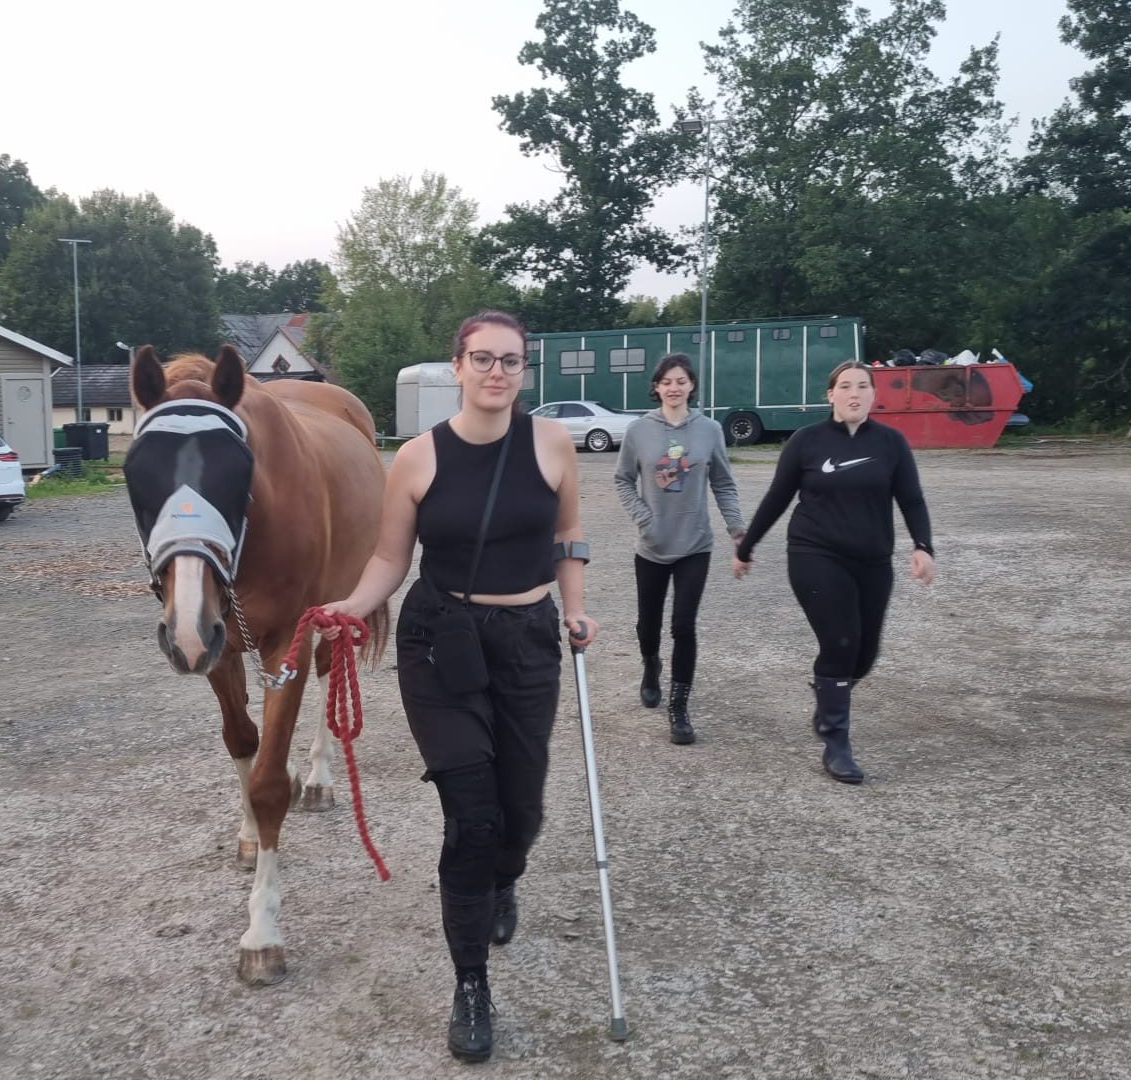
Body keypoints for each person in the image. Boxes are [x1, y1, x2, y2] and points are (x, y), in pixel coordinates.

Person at [320, 310, 599, 1063]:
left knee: (523, 809)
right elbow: (388, 558)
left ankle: (506, 877)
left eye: (511, 361)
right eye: (483, 358)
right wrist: (352, 606)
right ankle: (471, 983)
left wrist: (575, 610)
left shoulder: (552, 443)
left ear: (524, 370)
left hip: (528, 642)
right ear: (458, 365)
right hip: (440, 641)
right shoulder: (416, 458)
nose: (497, 372)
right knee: (471, 817)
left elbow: (569, 535)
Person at [733, 360, 935, 784]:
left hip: (873, 560)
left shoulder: (891, 444)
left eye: (863, 386)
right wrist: (747, 546)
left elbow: (911, 500)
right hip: (814, 554)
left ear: (874, 395)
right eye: (845, 386)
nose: (854, 393)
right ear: (831, 395)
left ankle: (828, 695)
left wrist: (922, 547)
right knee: (840, 641)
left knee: (865, 655)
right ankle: (836, 742)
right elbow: (777, 497)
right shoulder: (806, 442)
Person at [612, 353, 744, 744]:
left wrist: (737, 529)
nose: (674, 387)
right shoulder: (639, 431)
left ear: (691, 386)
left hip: (695, 544)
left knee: (683, 626)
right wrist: (644, 518)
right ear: (656, 387)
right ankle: (651, 665)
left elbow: (723, 482)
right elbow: (622, 480)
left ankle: (679, 706)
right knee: (647, 625)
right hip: (652, 545)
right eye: (667, 381)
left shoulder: (709, 430)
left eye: (681, 381)